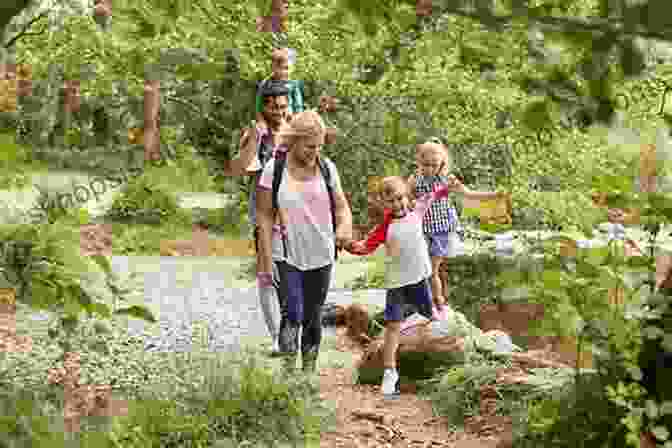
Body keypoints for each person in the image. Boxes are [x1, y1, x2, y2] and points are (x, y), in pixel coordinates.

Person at [342, 176, 463, 396]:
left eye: (400, 199)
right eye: (391, 202)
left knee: (431, 316)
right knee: (392, 327)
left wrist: (449, 186)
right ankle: (390, 372)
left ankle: (438, 354)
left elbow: (434, 195)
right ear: (384, 204)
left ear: (405, 196)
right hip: (397, 284)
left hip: (420, 280)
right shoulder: (384, 227)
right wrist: (347, 244)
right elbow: (364, 247)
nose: (397, 205)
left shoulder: (417, 210)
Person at [255, 110, 352, 373]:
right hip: (287, 254)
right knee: (293, 313)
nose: (315, 151)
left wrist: (344, 228)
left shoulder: (327, 168)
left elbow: (342, 208)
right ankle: (289, 374)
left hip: (321, 253)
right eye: (310, 146)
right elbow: (263, 216)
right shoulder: (273, 170)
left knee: (313, 316)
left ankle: (308, 374)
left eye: (320, 146)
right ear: (294, 141)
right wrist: (264, 261)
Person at [224, 81, 291, 354]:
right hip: (264, 213)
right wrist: (254, 138)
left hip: (294, 212)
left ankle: (291, 329)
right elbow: (238, 170)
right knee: (266, 273)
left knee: (292, 272)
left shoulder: (293, 130)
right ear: (263, 107)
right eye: (273, 107)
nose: (279, 112)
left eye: (284, 107)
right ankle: (276, 336)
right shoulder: (254, 133)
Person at [408, 140, 501, 309]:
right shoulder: (414, 180)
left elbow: (469, 194)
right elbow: (406, 201)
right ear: (419, 162)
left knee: (432, 269)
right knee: (426, 269)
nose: (429, 169)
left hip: (442, 230)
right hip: (423, 231)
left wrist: (493, 195)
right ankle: (432, 301)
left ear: (441, 164)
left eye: (433, 165)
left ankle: (438, 302)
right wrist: (412, 204)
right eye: (425, 165)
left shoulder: (447, 180)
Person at [255, 48, 304, 130]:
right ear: (273, 67)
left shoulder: (292, 85)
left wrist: (297, 119)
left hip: (288, 118)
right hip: (269, 119)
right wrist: (261, 120)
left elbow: (298, 105)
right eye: (280, 68)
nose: (283, 72)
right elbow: (258, 105)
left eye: (287, 68)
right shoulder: (265, 84)